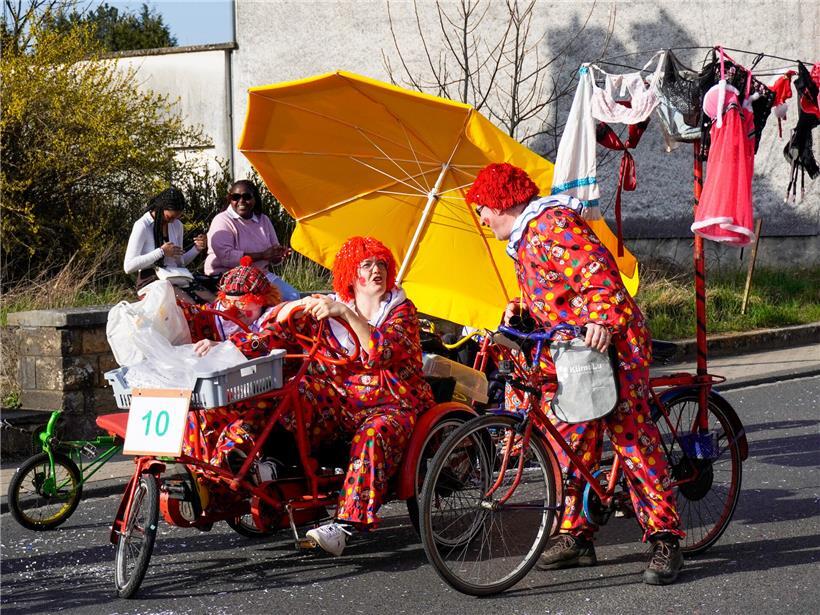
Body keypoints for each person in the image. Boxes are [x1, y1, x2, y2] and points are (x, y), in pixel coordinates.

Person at [466, 162, 684, 586]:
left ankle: (665, 539)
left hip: (608, 346)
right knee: (571, 442)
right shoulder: (525, 237)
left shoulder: (552, 223)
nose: (482, 218)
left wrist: (602, 318)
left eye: (482, 209)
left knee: (631, 438)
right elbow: (558, 291)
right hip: (571, 354)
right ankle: (577, 535)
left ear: (499, 202)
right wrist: (522, 309)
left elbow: (596, 274)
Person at [197, 236, 434, 555]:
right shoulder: (328, 306)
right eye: (366, 265)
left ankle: (348, 523)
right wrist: (227, 347)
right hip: (340, 401)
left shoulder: (401, 311)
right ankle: (236, 466)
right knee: (284, 394)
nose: (376, 271)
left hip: (391, 402)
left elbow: (381, 352)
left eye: (381, 264)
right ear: (351, 274)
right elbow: (274, 337)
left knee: (375, 432)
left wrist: (347, 315)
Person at [182, 256, 283, 479]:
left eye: (244, 303)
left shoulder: (273, 316)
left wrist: (222, 346)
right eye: (229, 302)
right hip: (225, 392)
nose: (235, 309)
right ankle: (199, 469)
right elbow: (193, 315)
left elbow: (264, 340)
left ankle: (226, 461)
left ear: (263, 299)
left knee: (253, 416)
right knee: (195, 412)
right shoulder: (216, 315)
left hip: (267, 390)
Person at [204, 179, 300, 301]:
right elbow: (226, 257)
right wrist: (263, 255)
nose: (241, 201)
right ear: (230, 199)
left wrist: (278, 255)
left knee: (292, 297)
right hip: (230, 276)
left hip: (260, 275)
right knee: (255, 303)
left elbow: (273, 253)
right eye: (235, 197)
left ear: (255, 199)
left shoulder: (263, 220)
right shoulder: (222, 220)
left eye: (247, 196)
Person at [123, 187, 214, 304]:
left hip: (175, 276)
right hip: (151, 280)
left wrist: (196, 249)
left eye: (177, 217)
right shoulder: (142, 226)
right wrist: (161, 252)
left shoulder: (177, 225)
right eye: (169, 217)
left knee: (212, 301)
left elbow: (179, 263)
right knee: (189, 304)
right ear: (160, 209)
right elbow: (128, 266)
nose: (172, 221)